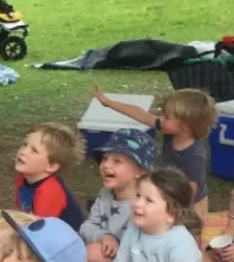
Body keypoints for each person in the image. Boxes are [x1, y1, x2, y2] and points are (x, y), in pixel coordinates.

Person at [93, 86, 217, 237]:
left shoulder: (194, 156)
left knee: (187, 238)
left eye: (166, 117)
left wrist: (166, 210)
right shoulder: (170, 130)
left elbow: (189, 193)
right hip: (169, 191)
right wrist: (109, 103)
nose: (161, 119)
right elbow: (141, 114)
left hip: (191, 205)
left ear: (185, 126)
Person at [80, 130, 157, 262]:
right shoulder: (106, 194)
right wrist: (104, 236)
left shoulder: (144, 205)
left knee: (93, 252)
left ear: (140, 171)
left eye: (117, 161)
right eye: (105, 158)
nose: (106, 165)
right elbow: (86, 227)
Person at [14, 123, 86, 233]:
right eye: (24, 144)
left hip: (62, 242)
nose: (23, 151)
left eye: (34, 150)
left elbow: (40, 230)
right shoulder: (22, 178)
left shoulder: (49, 191)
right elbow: (21, 214)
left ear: (51, 166)